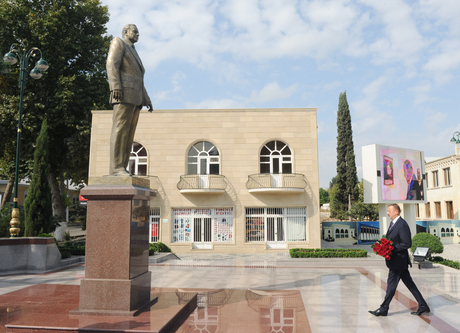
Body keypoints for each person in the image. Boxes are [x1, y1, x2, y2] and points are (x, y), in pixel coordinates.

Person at [106, 24, 153, 176]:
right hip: (123, 93)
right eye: (135, 31)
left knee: (128, 134)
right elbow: (112, 64)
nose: (138, 34)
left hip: (136, 98)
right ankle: (115, 168)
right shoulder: (118, 42)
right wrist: (115, 87)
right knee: (120, 131)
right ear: (125, 32)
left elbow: (138, 78)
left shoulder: (133, 50)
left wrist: (146, 98)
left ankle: (122, 167)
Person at [369, 204, 430, 317]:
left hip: (398, 262)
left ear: (396, 211)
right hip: (397, 261)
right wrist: (384, 248)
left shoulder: (402, 224)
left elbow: (407, 243)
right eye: (387, 211)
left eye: (389, 211)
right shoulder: (393, 224)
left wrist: (390, 249)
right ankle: (423, 305)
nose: (387, 213)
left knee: (391, 285)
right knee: (410, 284)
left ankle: (384, 308)